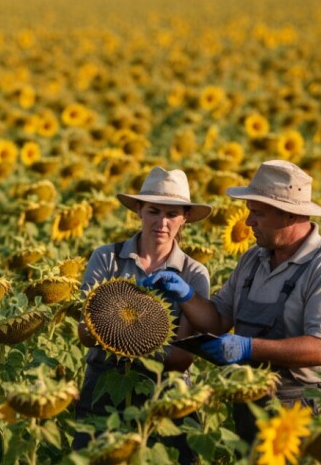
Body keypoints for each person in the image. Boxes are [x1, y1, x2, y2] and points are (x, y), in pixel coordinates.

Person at [141, 160, 321, 444]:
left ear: (288, 216)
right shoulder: (253, 259)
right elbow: (218, 320)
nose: (248, 223)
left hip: (302, 408)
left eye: (257, 214)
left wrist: (247, 347)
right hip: (250, 399)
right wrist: (186, 296)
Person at [72, 166, 212, 464]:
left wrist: (114, 331)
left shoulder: (194, 274)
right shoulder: (107, 257)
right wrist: (142, 334)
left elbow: (182, 358)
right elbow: (84, 333)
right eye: (153, 211)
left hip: (165, 394)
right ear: (139, 210)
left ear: (185, 217)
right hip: (103, 385)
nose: (162, 222)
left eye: (172, 214)